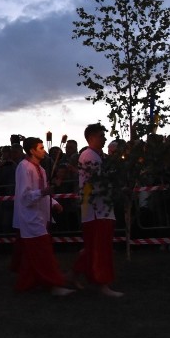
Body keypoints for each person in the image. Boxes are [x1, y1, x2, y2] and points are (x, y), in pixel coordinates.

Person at [12, 137, 74, 296]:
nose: (44, 150)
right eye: (40, 148)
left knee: (34, 253)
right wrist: (46, 192)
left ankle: (28, 283)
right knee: (42, 251)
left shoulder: (42, 169)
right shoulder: (24, 167)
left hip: (41, 214)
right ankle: (54, 284)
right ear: (32, 151)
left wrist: (53, 202)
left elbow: (42, 191)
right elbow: (25, 197)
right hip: (30, 217)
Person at [72, 124, 124, 297]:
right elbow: (94, 184)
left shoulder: (96, 156)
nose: (104, 138)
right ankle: (102, 284)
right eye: (101, 135)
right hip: (97, 210)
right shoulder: (89, 157)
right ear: (92, 137)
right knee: (100, 249)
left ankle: (73, 275)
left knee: (92, 248)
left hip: (100, 208)